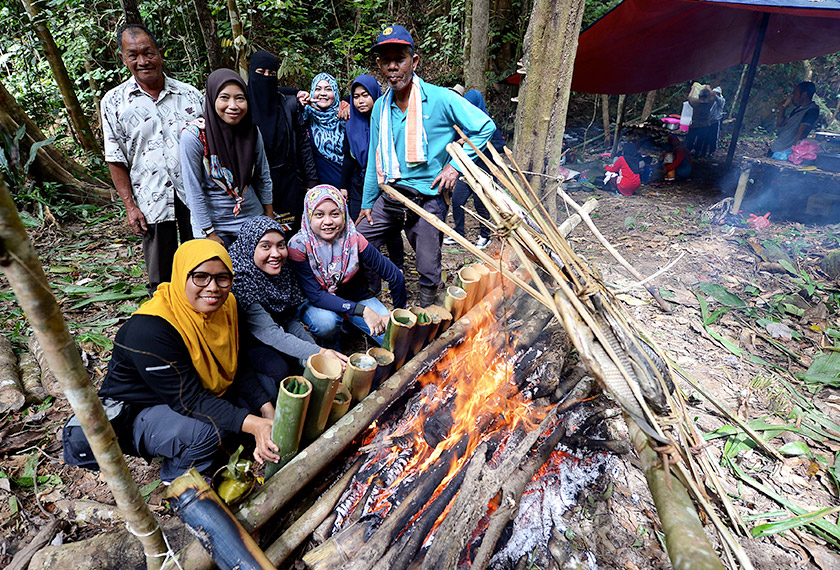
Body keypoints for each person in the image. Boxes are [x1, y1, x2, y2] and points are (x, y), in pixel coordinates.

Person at [94, 240, 279, 482]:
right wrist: (254, 424)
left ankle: (218, 449)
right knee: (211, 429)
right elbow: (189, 400)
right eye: (200, 277)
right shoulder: (151, 330)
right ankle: (178, 478)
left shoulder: (227, 306)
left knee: (266, 389)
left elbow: (238, 362)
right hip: (140, 411)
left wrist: (267, 411)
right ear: (181, 275)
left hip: (194, 390)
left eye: (223, 278)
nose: (213, 288)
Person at [357, 25, 496, 306]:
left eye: (400, 59)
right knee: (358, 242)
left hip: (429, 196)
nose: (393, 67)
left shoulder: (441, 98)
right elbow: (376, 157)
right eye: (386, 61)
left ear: (414, 61)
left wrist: (456, 166)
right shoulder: (381, 108)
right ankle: (369, 299)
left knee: (428, 266)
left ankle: (426, 310)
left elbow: (485, 127)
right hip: (391, 194)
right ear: (379, 66)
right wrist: (367, 202)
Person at [101, 24, 203, 295]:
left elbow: (213, 147)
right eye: (133, 55)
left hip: (195, 194)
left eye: (148, 53)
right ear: (123, 58)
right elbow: (115, 158)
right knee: (162, 278)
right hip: (152, 199)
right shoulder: (114, 102)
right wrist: (130, 206)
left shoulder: (190, 95)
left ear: (160, 53)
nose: (143, 61)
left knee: (202, 262)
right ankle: (167, 327)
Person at [229, 216, 347, 400]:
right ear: (249, 247)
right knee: (280, 370)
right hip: (246, 342)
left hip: (275, 333)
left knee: (305, 362)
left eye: (281, 245)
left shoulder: (283, 271)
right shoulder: (241, 280)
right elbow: (270, 332)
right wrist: (320, 352)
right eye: (265, 246)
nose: (276, 253)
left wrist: (315, 352)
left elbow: (290, 319)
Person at [289, 185, 407, 346]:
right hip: (314, 301)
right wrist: (364, 311)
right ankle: (331, 343)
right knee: (326, 323)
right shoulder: (299, 245)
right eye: (319, 215)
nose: (328, 221)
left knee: (393, 339)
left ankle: (349, 325)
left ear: (344, 213)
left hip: (351, 296)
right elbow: (316, 295)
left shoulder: (353, 238)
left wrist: (395, 314)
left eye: (335, 214)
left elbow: (395, 275)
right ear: (308, 216)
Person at [181, 69, 274, 247]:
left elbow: (264, 176)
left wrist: (268, 220)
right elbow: (193, 190)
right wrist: (210, 233)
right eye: (224, 97)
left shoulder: (251, 131)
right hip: (214, 225)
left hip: (252, 219)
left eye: (240, 98)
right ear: (212, 98)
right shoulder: (194, 136)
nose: (233, 105)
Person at [248, 51, 320, 235]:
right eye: (260, 72)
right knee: (259, 235)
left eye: (271, 74)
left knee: (288, 233)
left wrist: (311, 181)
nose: (266, 78)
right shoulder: (242, 107)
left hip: (288, 182)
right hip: (253, 185)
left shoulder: (287, 106)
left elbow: (304, 146)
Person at [444, 89, 506, 249]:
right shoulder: (465, 123)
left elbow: (501, 146)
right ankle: (458, 233)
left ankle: (484, 235)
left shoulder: (487, 123)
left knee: (481, 204)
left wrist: (477, 144)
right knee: (458, 201)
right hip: (466, 171)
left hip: (485, 172)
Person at [300, 73, 345, 187]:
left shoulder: (345, 116)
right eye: (318, 89)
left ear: (335, 93)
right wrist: (298, 94)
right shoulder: (304, 116)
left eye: (328, 89)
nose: (323, 93)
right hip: (316, 189)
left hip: (345, 187)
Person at [770, 81, 819, 156]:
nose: (793, 96)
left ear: (804, 95)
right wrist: (782, 109)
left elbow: (801, 133)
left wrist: (794, 154)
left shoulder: (812, 110)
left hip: (785, 152)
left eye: (795, 94)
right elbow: (780, 123)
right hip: (776, 148)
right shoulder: (798, 108)